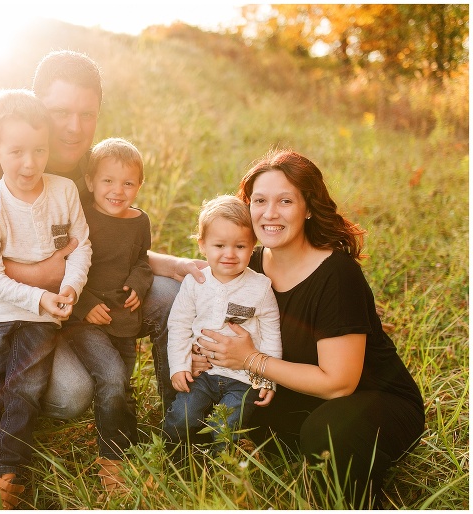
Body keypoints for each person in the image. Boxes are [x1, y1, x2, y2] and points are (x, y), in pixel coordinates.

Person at [0, 50, 206, 419]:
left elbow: (104, 243)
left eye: (87, 115)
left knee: (171, 293)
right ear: (38, 107)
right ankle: (15, 374)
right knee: (72, 396)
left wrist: (173, 265)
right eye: (61, 112)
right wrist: (35, 275)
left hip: (80, 295)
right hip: (13, 307)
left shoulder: (92, 167)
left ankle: (181, 422)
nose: (75, 127)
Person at [195, 149, 425, 506]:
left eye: (285, 201)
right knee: (209, 400)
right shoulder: (247, 263)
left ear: (308, 208)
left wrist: (251, 360)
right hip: (299, 392)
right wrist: (205, 355)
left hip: (371, 400)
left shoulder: (337, 275)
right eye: (260, 201)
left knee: (327, 434)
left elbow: (339, 383)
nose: (270, 213)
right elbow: (197, 281)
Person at [0, 89, 92, 510]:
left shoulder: (64, 191)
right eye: (16, 152)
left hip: (44, 314)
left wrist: (70, 287)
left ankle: (8, 472)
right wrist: (39, 297)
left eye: (39, 150)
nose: (30, 163)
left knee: (26, 390)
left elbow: (81, 246)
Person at [60, 137, 153, 496]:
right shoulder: (81, 215)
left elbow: (142, 260)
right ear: (90, 181)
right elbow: (64, 265)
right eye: (108, 181)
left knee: (122, 383)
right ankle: (112, 462)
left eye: (128, 183)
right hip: (84, 320)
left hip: (122, 318)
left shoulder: (139, 221)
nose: (117, 190)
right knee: (112, 378)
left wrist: (138, 283)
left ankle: (128, 447)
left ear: (139, 185)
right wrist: (83, 305)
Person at [163, 195, 282, 453]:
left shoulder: (260, 287)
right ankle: (171, 458)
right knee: (182, 416)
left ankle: (222, 467)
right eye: (219, 245)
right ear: (202, 245)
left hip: (244, 378)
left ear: (253, 247)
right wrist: (179, 365)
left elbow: (271, 333)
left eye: (240, 246)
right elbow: (179, 325)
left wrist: (268, 378)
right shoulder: (195, 282)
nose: (229, 254)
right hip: (202, 374)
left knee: (225, 428)